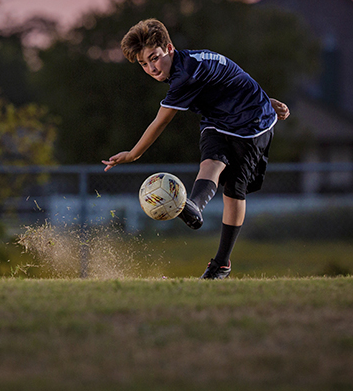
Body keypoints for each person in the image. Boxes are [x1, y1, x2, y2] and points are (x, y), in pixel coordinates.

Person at [103, 18, 290, 280]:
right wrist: (264, 97)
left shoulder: (185, 75)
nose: (151, 68)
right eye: (143, 64)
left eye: (154, 58)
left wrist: (133, 154)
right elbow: (232, 78)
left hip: (252, 122)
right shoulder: (184, 63)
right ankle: (194, 205)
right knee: (210, 161)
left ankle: (222, 264)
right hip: (218, 117)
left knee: (234, 189)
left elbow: (161, 121)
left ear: (168, 48)